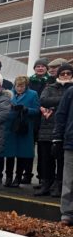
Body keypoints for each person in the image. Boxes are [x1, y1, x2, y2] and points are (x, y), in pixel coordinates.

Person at [38, 62, 72, 196]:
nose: (65, 75)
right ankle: (46, 184)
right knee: (47, 158)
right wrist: (64, 100)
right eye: (62, 73)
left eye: (68, 73)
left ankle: (59, 185)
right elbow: (44, 100)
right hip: (48, 127)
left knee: (62, 160)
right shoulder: (50, 87)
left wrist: (55, 103)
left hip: (65, 129)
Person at [2, 76, 40, 188]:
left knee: (21, 154)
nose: (19, 88)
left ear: (26, 86)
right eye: (17, 86)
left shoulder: (33, 94)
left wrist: (26, 109)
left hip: (24, 127)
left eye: (22, 86)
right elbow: (3, 108)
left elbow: (37, 111)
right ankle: (8, 177)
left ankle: (18, 178)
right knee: (9, 154)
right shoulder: (8, 94)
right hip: (11, 127)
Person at [53, 83, 73, 225]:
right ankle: (67, 214)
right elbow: (61, 115)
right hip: (71, 141)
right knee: (69, 180)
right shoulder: (71, 92)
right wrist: (57, 138)